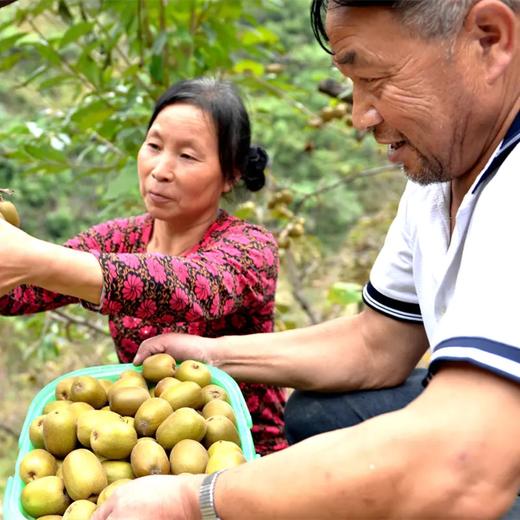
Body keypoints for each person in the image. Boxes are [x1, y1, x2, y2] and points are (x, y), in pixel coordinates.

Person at [86, 0, 520, 518]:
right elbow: (376, 343)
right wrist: (210, 354)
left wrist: (196, 498)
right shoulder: (439, 177)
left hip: (489, 458)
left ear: (490, 39)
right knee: (321, 413)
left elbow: (464, 464)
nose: (361, 116)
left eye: (376, 79)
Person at [0, 77, 288, 456]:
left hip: (250, 453)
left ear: (230, 174)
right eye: (153, 146)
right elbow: (19, 291)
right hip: (142, 453)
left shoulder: (251, 248)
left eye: (187, 156)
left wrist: (38, 259)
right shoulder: (118, 239)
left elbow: (192, 287)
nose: (160, 170)